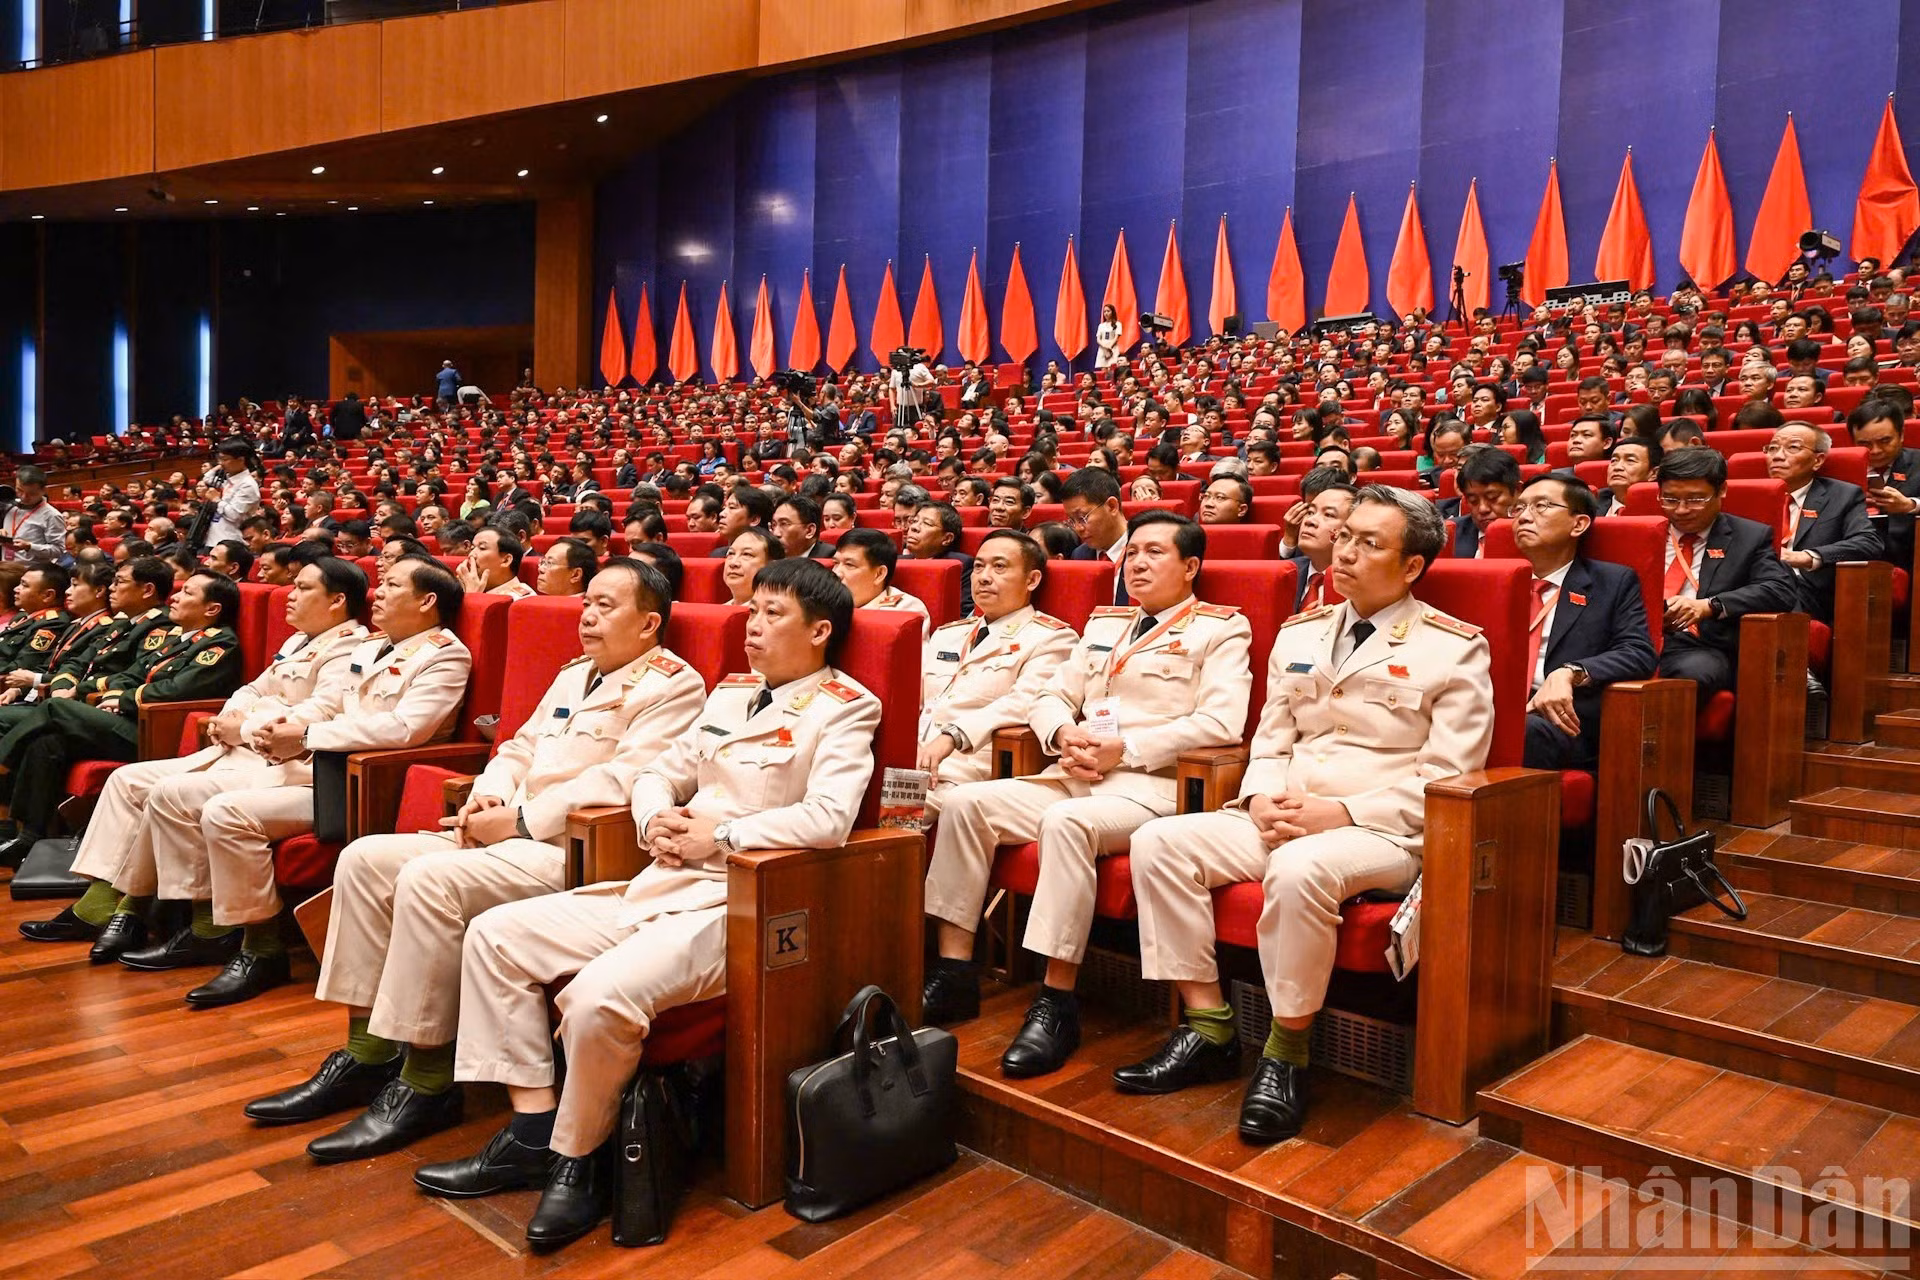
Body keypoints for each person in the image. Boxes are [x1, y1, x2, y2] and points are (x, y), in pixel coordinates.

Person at [421, 560, 881, 1250]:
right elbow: (659, 771)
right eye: (751, 612)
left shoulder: (847, 705)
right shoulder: (730, 695)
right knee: (494, 936)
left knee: (597, 998)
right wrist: (655, 816)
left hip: (739, 901)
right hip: (659, 880)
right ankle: (532, 1130)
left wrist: (719, 835)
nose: (752, 627)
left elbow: (828, 820)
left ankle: (576, 1165)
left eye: (773, 615)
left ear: (820, 631)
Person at [252, 560, 707, 1163]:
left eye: (606, 605)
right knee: (363, 860)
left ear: (650, 623)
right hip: (503, 828)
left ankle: (427, 1082)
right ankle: (366, 1053)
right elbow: (518, 745)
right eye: (587, 603)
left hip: (570, 848)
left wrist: (519, 819)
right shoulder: (575, 675)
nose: (588, 616)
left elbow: (624, 778)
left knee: (427, 879)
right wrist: (488, 793)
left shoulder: (674, 685)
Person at [1115, 486, 1491, 1144]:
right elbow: (1271, 737)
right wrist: (1260, 794)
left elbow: (1448, 774)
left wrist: (1338, 810)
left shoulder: (1453, 647)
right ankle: (1208, 1027)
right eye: (1344, 536)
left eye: (1369, 542)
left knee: (1296, 868)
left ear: (1411, 567)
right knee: (1157, 842)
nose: (1345, 551)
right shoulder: (1303, 631)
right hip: (1282, 810)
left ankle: (1286, 1054)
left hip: (1383, 831)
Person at [920, 512, 1252, 1076]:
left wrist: (1124, 749)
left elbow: (1221, 723)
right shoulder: (1104, 626)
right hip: (1077, 770)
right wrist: (1060, 732)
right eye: (1134, 553)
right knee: (965, 803)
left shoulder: (1221, 629)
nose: (1138, 563)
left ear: (1191, 566)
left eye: (1154, 553)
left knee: (1068, 823)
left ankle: (1056, 1000)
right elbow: (1049, 695)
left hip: (1156, 784)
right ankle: (954, 973)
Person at [141, 558, 473, 1007]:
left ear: (427, 600)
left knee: (227, 811)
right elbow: (329, 704)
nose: (377, 594)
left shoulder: (445, 654)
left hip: (370, 785)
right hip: (318, 767)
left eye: (392, 585)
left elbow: (404, 729)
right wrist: (279, 730)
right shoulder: (374, 646)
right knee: (189, 795)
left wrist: (308, 737)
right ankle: (206, 925)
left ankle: (262, 950)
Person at [25, 560, 369, 957]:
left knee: (172, 792)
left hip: (280, 763)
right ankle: (105, 901)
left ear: (337, 600)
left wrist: (240, 726)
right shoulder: (298, 641)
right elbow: (250, 691)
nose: (289, 595)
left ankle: (175, 918)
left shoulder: (349, 648)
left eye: (303, 588)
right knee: (125, 781)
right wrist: (232, 716)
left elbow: (313, 716)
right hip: (240, 749)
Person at [0, 571, 244, 870]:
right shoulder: (177, 640)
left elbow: (177, 690)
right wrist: (101, 693)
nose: (176, 597)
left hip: (154, 733)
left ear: (212, 609)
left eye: (188, 593)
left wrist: (125, 699)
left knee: (55, 709)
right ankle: (29, 836)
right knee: (47, 741)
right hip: (126, 720)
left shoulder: (220, 645)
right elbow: (129, 675)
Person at [918, 531, 1077, 815]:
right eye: (978, 566)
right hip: (912, 761)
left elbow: (1024, 704)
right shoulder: (948, 634)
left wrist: (951, 737)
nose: (984, 577)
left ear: (1032, 580)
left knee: (891, 811)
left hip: (970, 769)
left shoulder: (1051, 638)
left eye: (999, 567)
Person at [1508, 475, 1656, 769]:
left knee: (1519, 732)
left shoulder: (1612, 582)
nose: (1524, 517)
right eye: (1519, 508)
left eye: (1541, 506)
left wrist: (1571, 672)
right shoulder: (1497, 581)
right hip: (1489, 707)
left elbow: (1639, 652)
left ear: (1579, 524)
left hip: (1557, 720)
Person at [1653, 447, 1799, 699]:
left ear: (1721, 490)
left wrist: (1708, 607)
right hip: (1635, 641)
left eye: (1696, 499)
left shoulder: (1749, 536)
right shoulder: (1644, 533)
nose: (1682, 509)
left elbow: (1779, 589)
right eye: (1670, 499)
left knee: (1689, 675)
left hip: (1700, 646)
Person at [1765, 423, 1880, 622]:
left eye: (1792, 448)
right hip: (1752, 585)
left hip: (1804, 590)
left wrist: (1807, 557)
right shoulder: (1753, 495)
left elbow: (1868, 542)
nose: (1777, 456)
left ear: (1817, 460)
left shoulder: (1842, 495)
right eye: (1772, 448)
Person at [1851, 400, 1920, 567]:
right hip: (1851, 549)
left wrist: (1910, 505)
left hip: (1906, 551)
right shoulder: (1843, 468)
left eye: (1884, 441)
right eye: (1865, 444)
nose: (1875, 451)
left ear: (1901, 434)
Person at [831, 527, 930, 636]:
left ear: (879, 574)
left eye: (849, 565)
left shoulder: (906, 611)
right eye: (836, 563)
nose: (837, 573)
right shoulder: (824, 602)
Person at [1062, 467, 1131, 607]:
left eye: (1082, 518)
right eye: (1072, 521)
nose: (1077, 528)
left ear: (1112, 506)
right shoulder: (1080, 555)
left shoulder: (1147, 550)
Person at [1284, 483, 1355, 612]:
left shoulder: (1362, 584)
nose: (1309, 521)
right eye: (1310, 512)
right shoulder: (1286, 573)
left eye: (1328, 515)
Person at [901, 503, 975, 616]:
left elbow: (964, 614)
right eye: (915, 521)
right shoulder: (898, 562)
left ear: (947, 538)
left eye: (927, 523)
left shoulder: (960, 565)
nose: (914, 528)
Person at [1451, 448, 1521, 558]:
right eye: (1473, 501)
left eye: (1492, 498)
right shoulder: (1450, 536)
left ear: (1518, 490)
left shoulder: (1539, 532)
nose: (1482, 509)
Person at [204, 439, 263, 549]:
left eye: (225, 459)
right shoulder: (229, 479)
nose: (221, 463)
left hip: (231, 541)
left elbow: (234, 515)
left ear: (241, 460)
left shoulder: (248, 485)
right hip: (214, 538)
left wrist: (216, 500)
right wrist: (220, 466)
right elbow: (207, 478)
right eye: (219, 459)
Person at [2, 466, 65, 564]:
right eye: (19, 490)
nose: (24, 497)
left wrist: (30, 547)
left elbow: (58, 550)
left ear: (44, 490)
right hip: (6, 567)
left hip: (31, 571)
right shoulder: (9, 506)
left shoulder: (52, 516)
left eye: (31, 493)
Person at [459, 527, 535, 599]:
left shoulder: (518, 600)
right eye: (472, 548)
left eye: (482, 548)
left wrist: (472, 596)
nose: (471, 554)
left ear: (506, 560)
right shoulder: (467, 588)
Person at [721, 528, 783, 606]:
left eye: (747, 554)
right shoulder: (716, 613)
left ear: (772, 566)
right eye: (731, 553)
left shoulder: (774, 616)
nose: (733, 563)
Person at [1597, 437, 1659, 516]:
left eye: (1630, 460)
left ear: (1653, 473)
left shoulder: (1664, 510)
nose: (1617, 467)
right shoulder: (1589, 507)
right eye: (1614, 460)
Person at [1096, 304, 1124, 370]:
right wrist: (1105, 347)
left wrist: (1109, 347)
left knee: (1111, 369)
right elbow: (1098, 339)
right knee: (1103, 370)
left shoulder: (1117, 324)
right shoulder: (1101, 325)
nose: (1106, 313)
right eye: (1105, 311)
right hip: (1103, 348)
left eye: (1108, 311)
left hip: (1112, 348)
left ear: (1112, 312)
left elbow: (1116, 337)